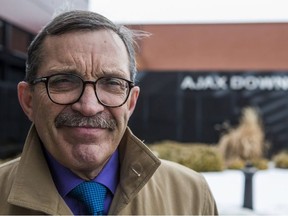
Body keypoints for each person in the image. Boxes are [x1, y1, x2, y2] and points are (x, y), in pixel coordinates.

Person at [0, 10, 218, 215]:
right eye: (64, 81)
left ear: (131, 103)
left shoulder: (191, 197)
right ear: (28, 100)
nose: (89, 106)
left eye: (112, 83)